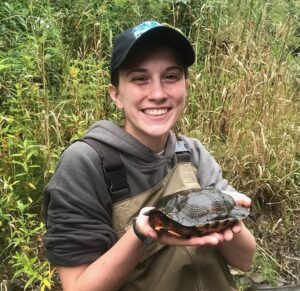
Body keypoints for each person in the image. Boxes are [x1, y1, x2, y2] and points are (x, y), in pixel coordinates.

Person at [43, 20, 256, 291]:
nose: (158, 93)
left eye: (171, 76)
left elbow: (245, 259)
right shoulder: (85, 163)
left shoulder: (192, 153)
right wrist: (141, 234)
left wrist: (226, 212)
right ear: (116, 94)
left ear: (185, 86)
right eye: (140, 78)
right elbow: (78, 287)